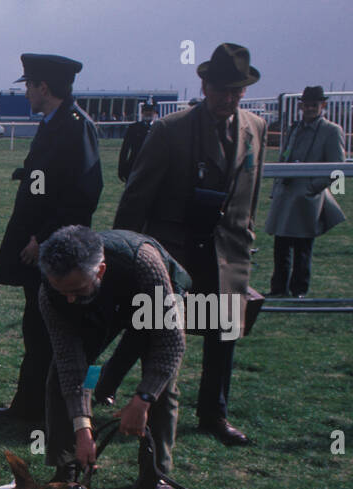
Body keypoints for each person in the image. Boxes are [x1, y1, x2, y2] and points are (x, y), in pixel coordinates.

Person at [114, 42, 267, 448]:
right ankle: (150, 407)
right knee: (162, 337)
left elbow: (251, 193)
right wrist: (128, 254)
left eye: (236, 91)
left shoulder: (255, 128)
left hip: (229, 254)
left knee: (224, 337)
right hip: (175, 254)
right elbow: (136, 196)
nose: (228, 99)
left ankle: (215, 412)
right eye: (221, 90)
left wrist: (245, 239)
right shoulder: (170, 130)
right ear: (204, 85)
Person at [37, 225, 189, 489]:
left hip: (151, 306)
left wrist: (143, 399)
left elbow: (170, 344)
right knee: (61, 376)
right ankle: (68, 467)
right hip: (100, 310)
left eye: (75, 289)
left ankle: (155, 476)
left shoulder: (143, 263)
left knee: (163, 391)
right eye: (63, 292)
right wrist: (82, 428)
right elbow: (73, 364)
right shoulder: (52, 294)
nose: (69, 298)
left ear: (100, 270)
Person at [0, 53, 102, 424]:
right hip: (40, 245)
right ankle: (29, 406)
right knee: (35, 327)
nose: (27, 93)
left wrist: (43, 239)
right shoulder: (55, 123)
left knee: (48, 333)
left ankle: (41, 412)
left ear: (45, 87)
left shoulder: (74, 126)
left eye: (30, 86)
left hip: (53, 252)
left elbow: (82, 195)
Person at [266, 85, 346, 298]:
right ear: (300, 106)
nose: (310, 108)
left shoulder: (331, 130)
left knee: (303, 247)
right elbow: (285, 156)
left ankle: (299, 289)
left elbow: (337, 167)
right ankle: (278, 289)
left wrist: (312, 187)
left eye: (314, 105)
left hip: (307, 197)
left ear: (323, 105)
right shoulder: (295, 128)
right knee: (281, 245)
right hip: (286, 193)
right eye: (306, 105)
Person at [118, 101, 157, 183]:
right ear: (142, 113)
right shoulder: (133, 128)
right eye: (146, 110)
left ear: (154, 113)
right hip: (134, 166)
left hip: (153, 168)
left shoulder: (159, 128)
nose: (148, 113)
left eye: (151, 111)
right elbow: (125, 150)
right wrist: (121, 169)